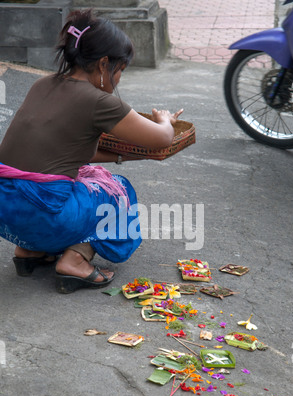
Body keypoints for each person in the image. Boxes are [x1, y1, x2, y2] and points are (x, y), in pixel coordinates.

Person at [0, 9, 183, 293]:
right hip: (41, 214)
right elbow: (161, 139)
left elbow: (67, 153)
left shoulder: (43, 84)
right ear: (103, 64)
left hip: (5, 214)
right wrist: (165, 120)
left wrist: (121, 155)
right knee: (117, 189)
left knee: (78, 177)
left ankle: (29, 252)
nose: (118, 79)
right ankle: (76, 259)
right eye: (120, 71)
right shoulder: (99, 101)